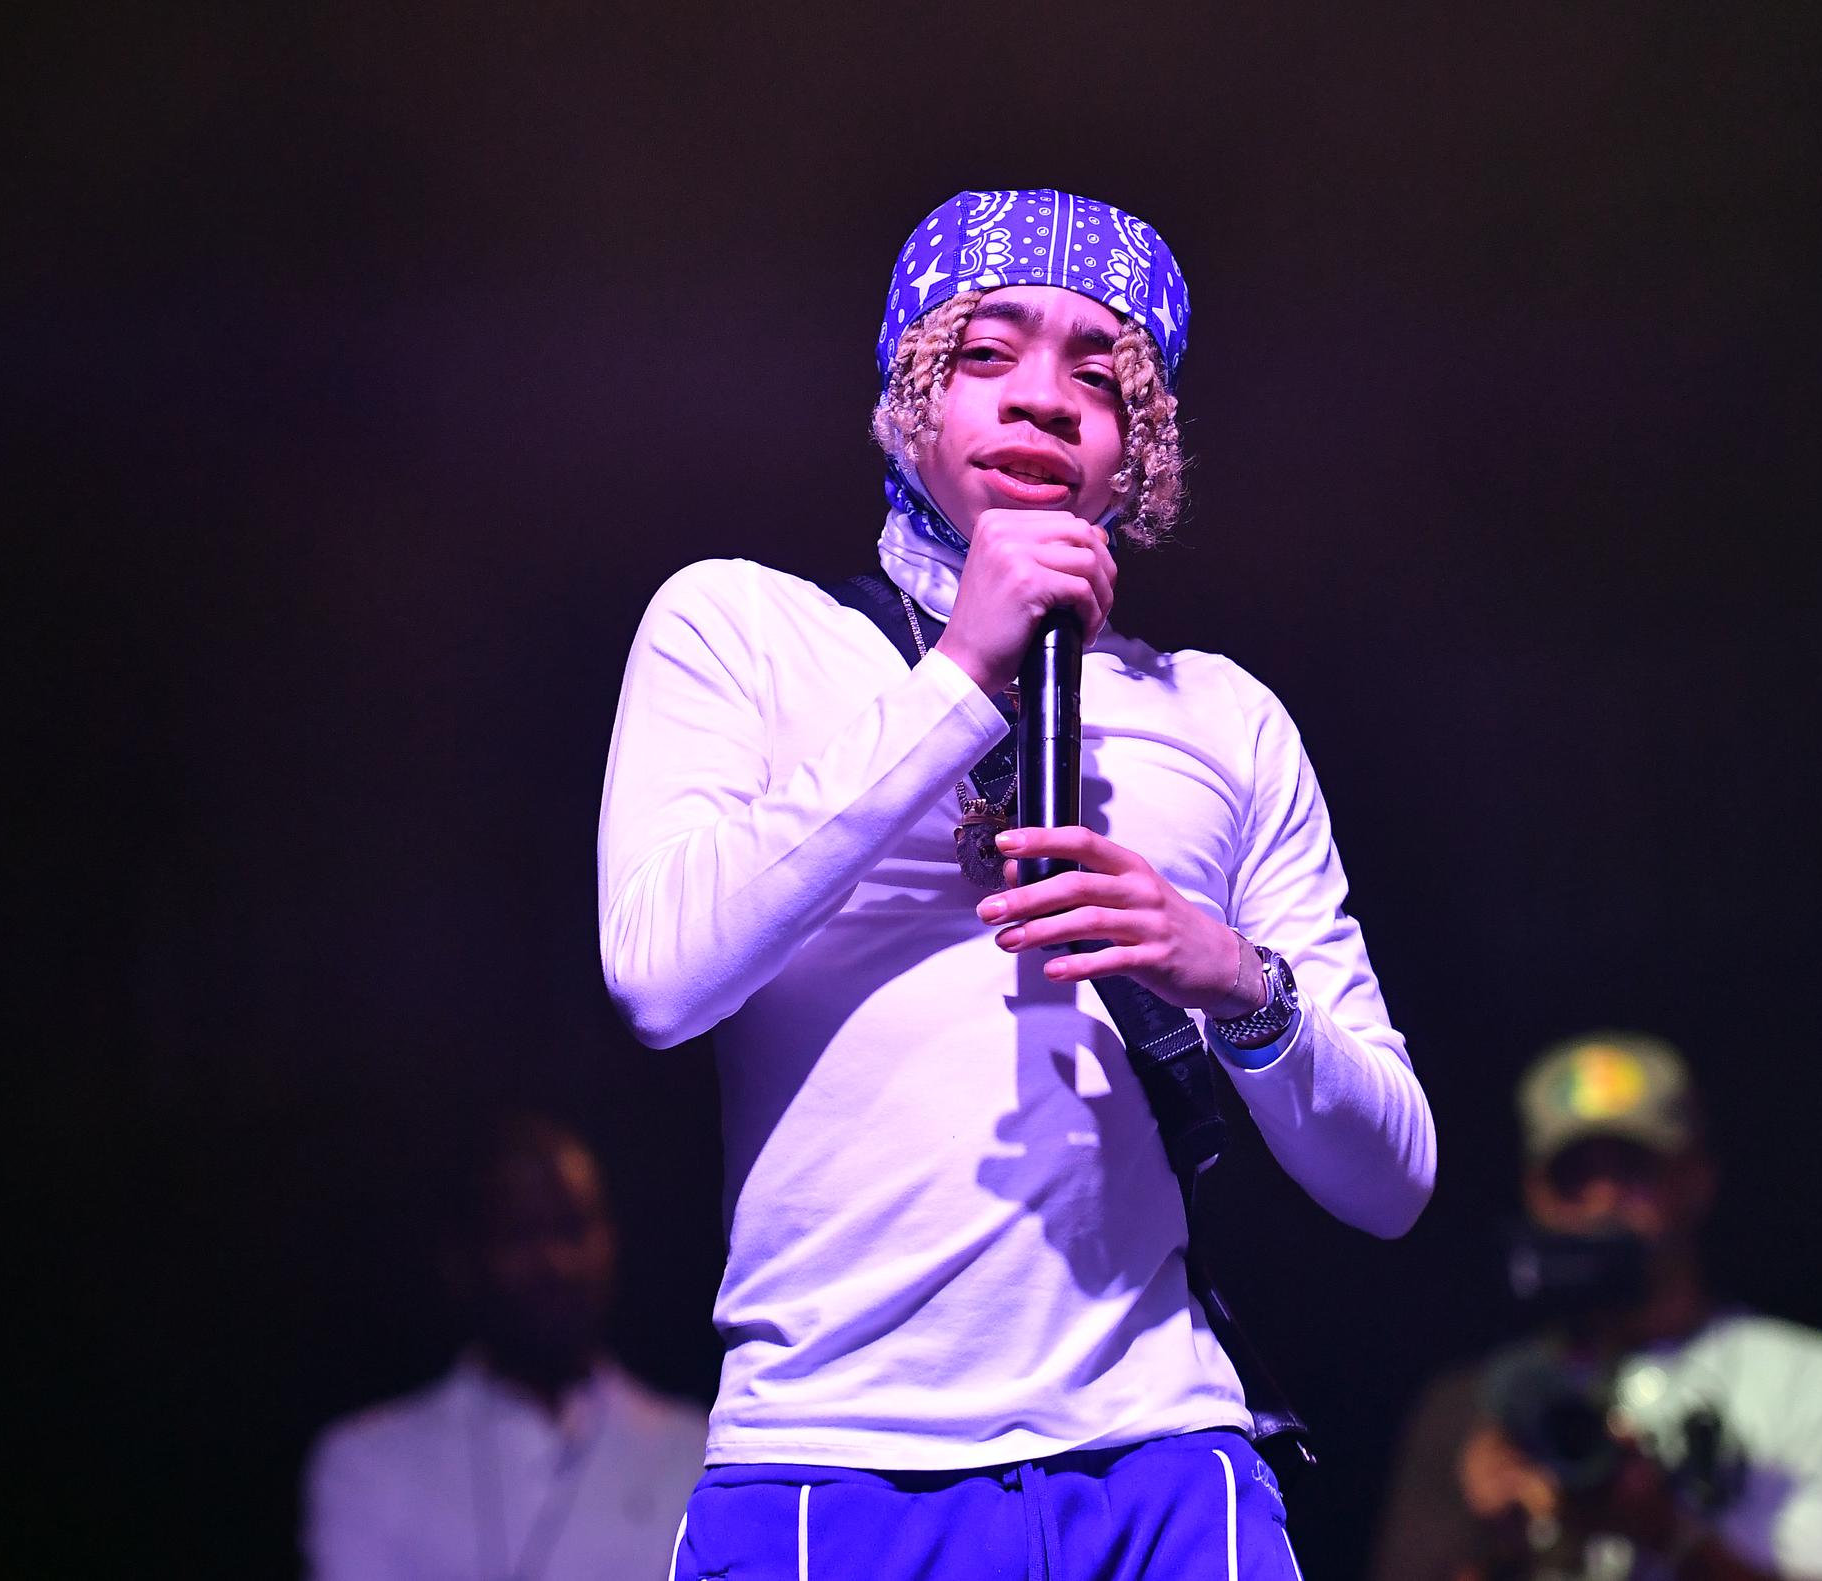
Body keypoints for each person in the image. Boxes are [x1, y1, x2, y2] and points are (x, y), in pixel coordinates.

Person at [599, 187, 1437, 1579]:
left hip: (1161, 1456)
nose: (1044, 400)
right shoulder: (742, 628)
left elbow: (1394, 1178)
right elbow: (659, 977)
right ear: (906, 393)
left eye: (1098, 374)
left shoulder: (1223, 715)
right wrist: (961, 675)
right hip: (831, 1457)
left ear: (1141, 450)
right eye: (986, 354)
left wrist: (1224, 971)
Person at [1369, 1033, 1822, 1581]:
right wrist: (1484, 1536)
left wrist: (1665, 1531)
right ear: (1534, 1194)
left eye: (1632, 1171)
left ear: (1695, 1180)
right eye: (1573, 1177)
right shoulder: (1471, 1407)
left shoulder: (1808, 1383)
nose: (1603, 1200)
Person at [302, 1115, 707, 1581]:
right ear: (463, 1258)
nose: (554, 1263)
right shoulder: (368, 1463)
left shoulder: (694, 1453)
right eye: (521, 1233)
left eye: (572, 1229)